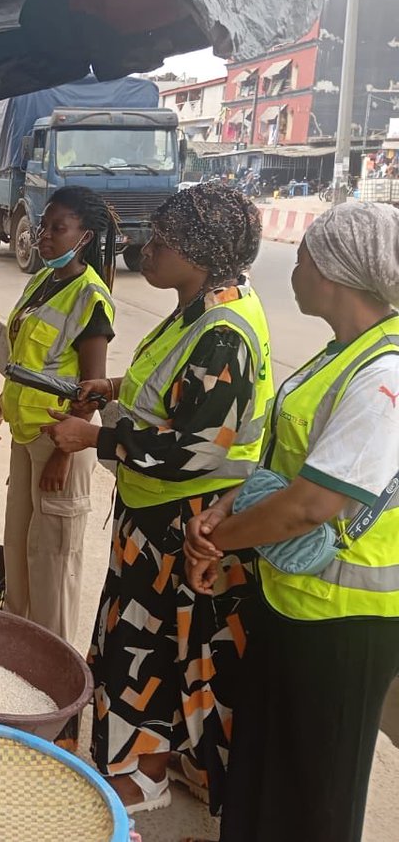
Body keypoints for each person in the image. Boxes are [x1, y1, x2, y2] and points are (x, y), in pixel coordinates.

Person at [41, 184, 273, 815]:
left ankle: (143, 776)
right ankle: (172, 761)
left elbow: (197, 447)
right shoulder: (199, 308)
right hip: (157, 514)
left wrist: (95, 436)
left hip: (184, 522)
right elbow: (181, 395)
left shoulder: (223, 330)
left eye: (163, 243)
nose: (148, 250)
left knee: (151, 647)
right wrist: (113, 385)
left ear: (198, 254)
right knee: (161, 640)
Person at [183, 203, 399, 842]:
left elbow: (311, 504)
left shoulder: (384, 376)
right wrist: (224, 512)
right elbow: (278, 465)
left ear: (335, 272)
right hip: (291, 601)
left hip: (343, 625)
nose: (295, 270)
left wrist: (216, 543)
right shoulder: (338, 355)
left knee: (315, 794)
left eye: (303, 259)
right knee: (265, 774)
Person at [0, 187, 116, 651]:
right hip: (26, 434)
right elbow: (23, 361)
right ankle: (15, 647)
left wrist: (62, 456)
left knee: (53, 560)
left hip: (61, 444)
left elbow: (92, 389)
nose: (45, 237)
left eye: (59, 228)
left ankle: (50, 659)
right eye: (44, 226)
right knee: (18, 545)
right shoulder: (41, 283)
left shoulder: (90, 298)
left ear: (85, 236)